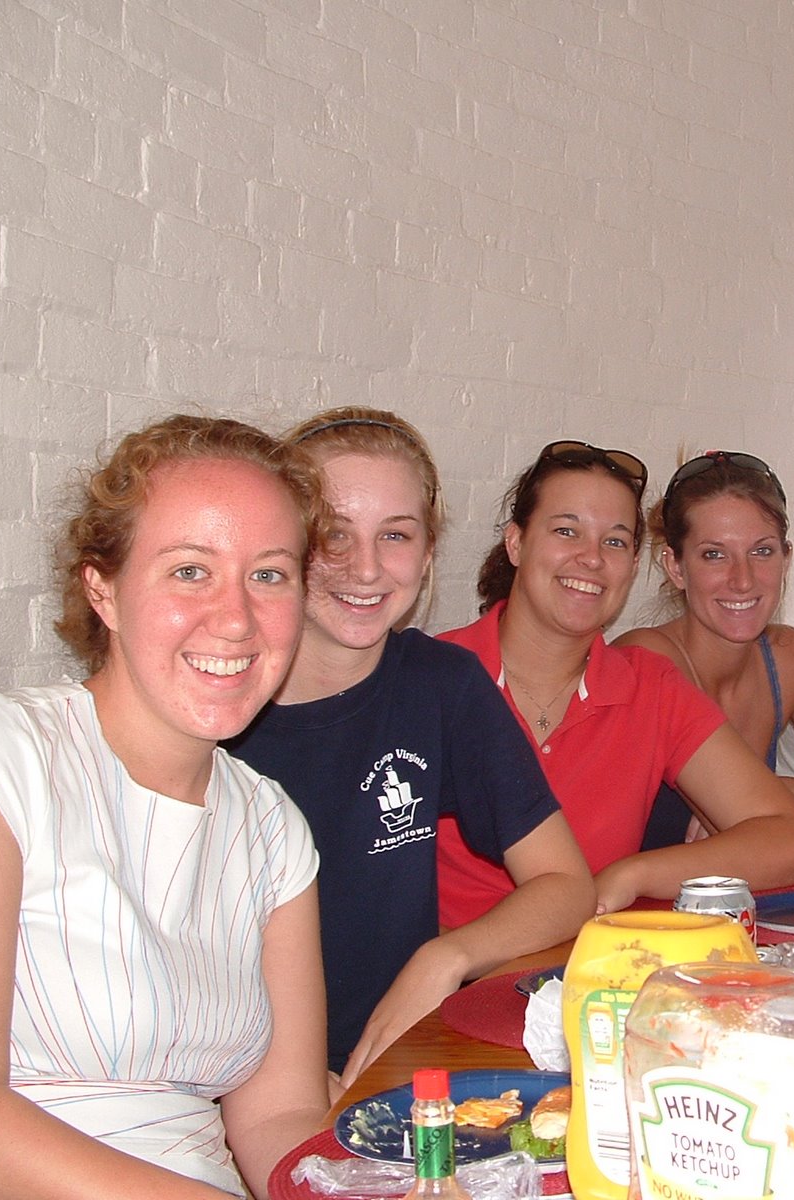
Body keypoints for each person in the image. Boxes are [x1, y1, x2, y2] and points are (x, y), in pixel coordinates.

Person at [0, 416, 331, 1199]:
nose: (235, 619)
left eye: (270, 575)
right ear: (105, 591)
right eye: (190, 571)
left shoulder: (272, 829)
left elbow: (280, 1114)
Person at [227, 408, 594, 1093]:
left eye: (394, 535)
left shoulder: (441, 685)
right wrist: (287, 1086)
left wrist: (445, 957)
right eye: (334, 534)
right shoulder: (219, 704)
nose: (365, 568)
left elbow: (567, 883)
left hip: (393, 1067)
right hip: (245, 1082)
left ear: (427, 556)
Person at [435, 440, 794, 921]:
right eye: (566, 531)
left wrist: (630, 875)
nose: (592, 558)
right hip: (455, 981)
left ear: (635, 564)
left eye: (615, 541)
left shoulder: (648, 686)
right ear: (516, 543)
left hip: (593, 980)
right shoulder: (435, 675)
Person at [615, 449, 794, 839]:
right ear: (676, 567)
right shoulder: (646, 661)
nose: (743, 579)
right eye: (714, 555)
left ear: (787, 559)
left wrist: (788, 799)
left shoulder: (788, 657)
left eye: (762, 551)